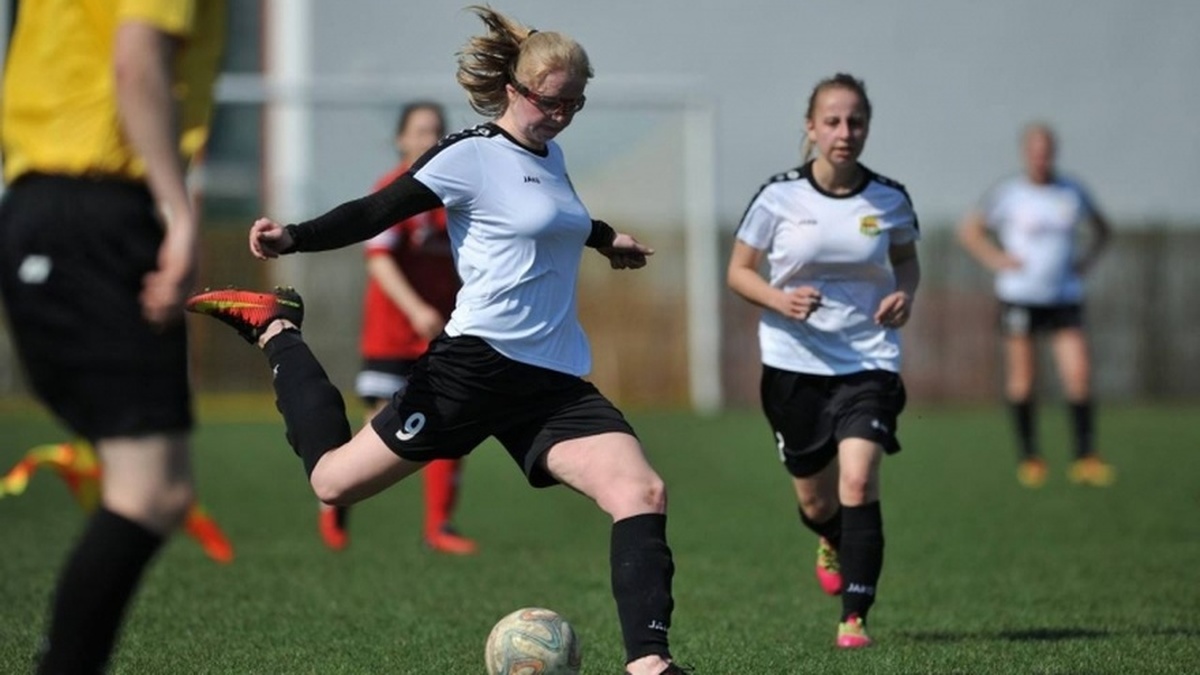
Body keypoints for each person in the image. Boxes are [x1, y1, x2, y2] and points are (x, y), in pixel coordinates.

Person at [186, 7, 689, 674]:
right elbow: (377, 210)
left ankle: (649, 664)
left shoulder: (553, 154)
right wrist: (295, 237)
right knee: (332, 482)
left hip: (552, 382)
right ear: (513, 89)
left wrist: (605, 238)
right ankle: (276, 326)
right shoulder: (469, 155)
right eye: (551, 101)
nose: (563, 115)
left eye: (575, 103)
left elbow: (555, 217)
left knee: (641, 492)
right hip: (472, 370)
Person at [0, 1, 226, 672]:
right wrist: (176, 212)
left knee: (151, 486)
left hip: (52, 206)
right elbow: (137, 60)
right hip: (93, 213)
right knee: (150, 489)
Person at [727, 73, 920, 650]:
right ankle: (831, 536)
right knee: (816, 501)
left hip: (868, 360)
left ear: (867, 127)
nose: (844, 132)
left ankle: (854, 616)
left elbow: (907, 261)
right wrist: (779, 300)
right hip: (793, 363)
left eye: (855, 121)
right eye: (832, 121)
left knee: (858, 478)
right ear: (811, 128)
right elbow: (738, 272)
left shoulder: (890, 198)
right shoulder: (778, 196)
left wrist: (905, 294)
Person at [319, 102, 478, 555]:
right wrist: (414, 310)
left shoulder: (455, 195)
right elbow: (379, 259)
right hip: (392, 333)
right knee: (378, 431)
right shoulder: (392, 191)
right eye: (421, 130)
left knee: (451, 423)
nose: (430, 139)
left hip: (443, 333)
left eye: (437, 130)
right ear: (401, 140)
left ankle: (439, 526)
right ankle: (334, 504)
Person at [957, 122, 1114, 488]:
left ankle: (1085, 457)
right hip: (1020, 296)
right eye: (1035, 152)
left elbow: (1103, 230)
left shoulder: (1071, 191)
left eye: (1047, 152)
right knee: (1024, 380)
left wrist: (1086, 261)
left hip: (1064, 296)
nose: (1041, 159)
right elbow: (970, 230)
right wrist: (996, 258)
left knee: (1078, 374)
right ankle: (1030, 458)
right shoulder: (1010, 193)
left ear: (1054, 153)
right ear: (1026, 154)